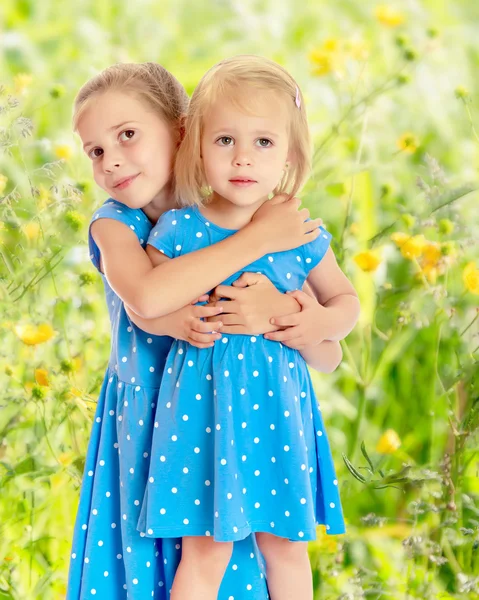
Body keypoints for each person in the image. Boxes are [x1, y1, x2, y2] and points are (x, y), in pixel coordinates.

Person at [67, 61, 328, 600]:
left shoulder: (225, 208)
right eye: (95, 151)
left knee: (230, 555)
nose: (111, 159)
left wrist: (279, 312)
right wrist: (258, 239)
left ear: (185, 131)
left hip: (222, 423)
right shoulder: (117, 223)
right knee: (158, 566)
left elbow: (328, 351)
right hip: (143, 426)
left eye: (128, 135)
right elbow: (145, 296)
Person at [140, 55, 360, 600]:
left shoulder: (300, 232)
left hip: (276, 409)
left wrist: (310, 324)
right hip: (201, 412)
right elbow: (145, 305)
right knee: (205, 551)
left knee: (284, 546)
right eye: (224, 141)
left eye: (264, 142)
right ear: (197, 147)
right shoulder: (179, 230)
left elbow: (345, 305)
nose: (243, 158)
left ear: (289, 151)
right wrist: (178, 320)